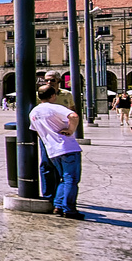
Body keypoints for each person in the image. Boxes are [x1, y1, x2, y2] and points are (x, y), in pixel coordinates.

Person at [33, 83, 83, 218]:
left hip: (52, 150)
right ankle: (69, 209)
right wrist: (71, 130)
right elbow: (74, 116)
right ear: (53, 96)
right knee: (71, 179)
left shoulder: (33, 112)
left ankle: (58, 206)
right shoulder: (55, 107)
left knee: (64, 179)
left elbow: (36, 131)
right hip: (67, 147)